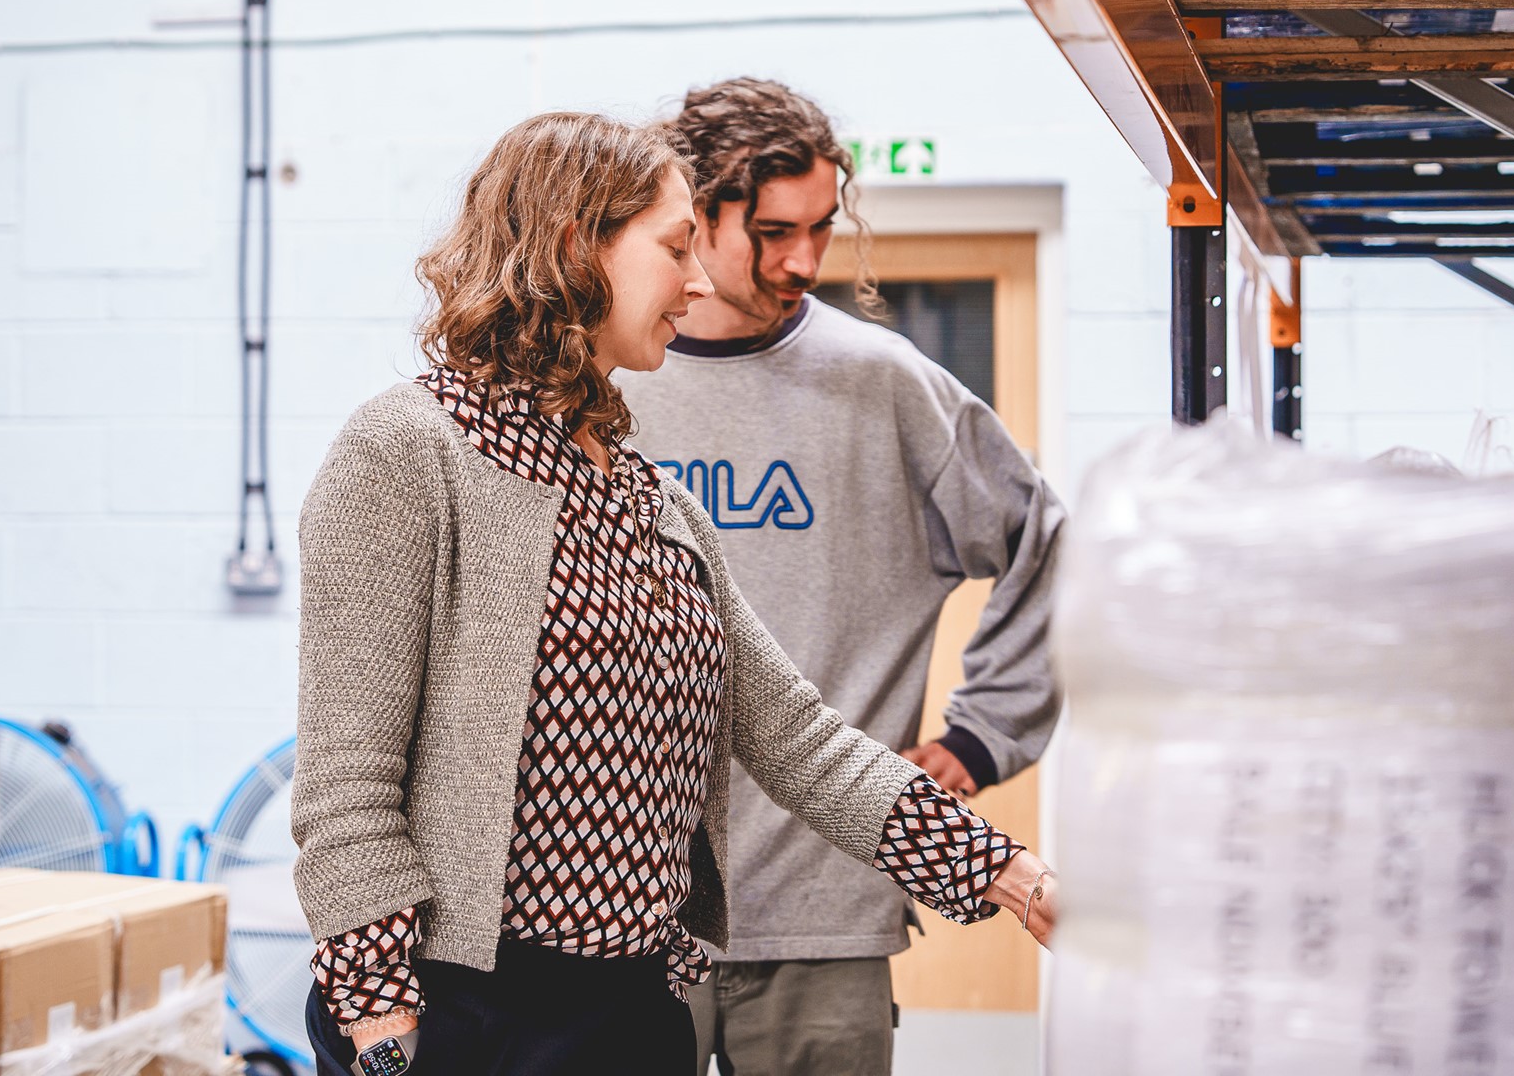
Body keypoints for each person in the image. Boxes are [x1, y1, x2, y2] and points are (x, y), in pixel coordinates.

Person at [291, 111, 1059, 1076]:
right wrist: (382, 1034)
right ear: (577, 247)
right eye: (673, 247)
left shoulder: (651, 500)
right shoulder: (407, 453)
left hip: (631, 1010)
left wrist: (1012, 876)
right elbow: (346, 790)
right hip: (467, 1016)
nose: (698, 282)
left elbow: (801, 742)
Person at [618, 79, 1066, 1076]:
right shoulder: (608, 381)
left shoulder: (887, 383)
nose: (805, 261)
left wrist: (981, 735)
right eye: (773, 231)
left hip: (830, 905)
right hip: (628, 915)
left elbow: (1048, 539)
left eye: (822, 228)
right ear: (694, 210)